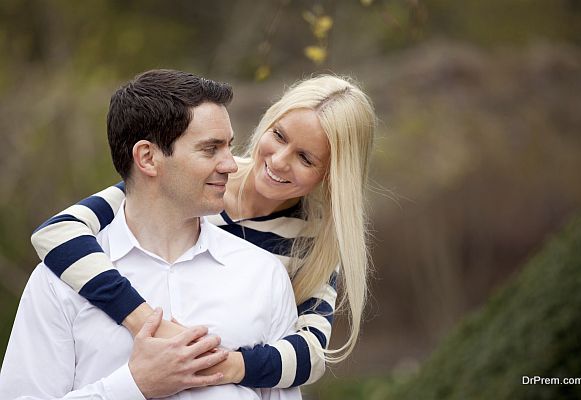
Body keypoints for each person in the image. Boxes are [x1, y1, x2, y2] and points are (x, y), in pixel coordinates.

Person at [28, 73, 376, 388]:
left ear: (330, 176)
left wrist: (222, 365)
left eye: (306, 158)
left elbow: (311, 354)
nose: (279, 160)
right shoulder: (198, 182)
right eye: (279, 136)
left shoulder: (313, 242)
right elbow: (58, 233)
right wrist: (144, 321)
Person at [0, 69, 301, 400]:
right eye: (210, 149)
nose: (231, 165)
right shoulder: (57, 283)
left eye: (228, 147)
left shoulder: (263, 274)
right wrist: (134, 385)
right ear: (147, 157)